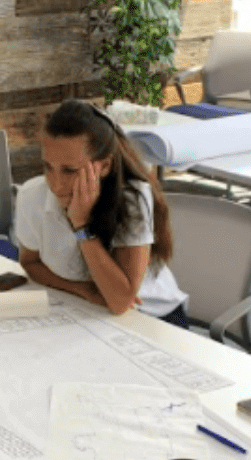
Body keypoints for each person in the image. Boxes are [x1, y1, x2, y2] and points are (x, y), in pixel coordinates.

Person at [15, 99, 189, 324]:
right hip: (85, 307)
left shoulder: (132, 200)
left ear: (105, 166)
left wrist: (82, 226)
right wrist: (83, 290)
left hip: (152, 317)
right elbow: (30, 264)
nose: (55, 185)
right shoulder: (32, 194)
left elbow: (119, 302)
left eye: (70, 170)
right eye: (48, 166)